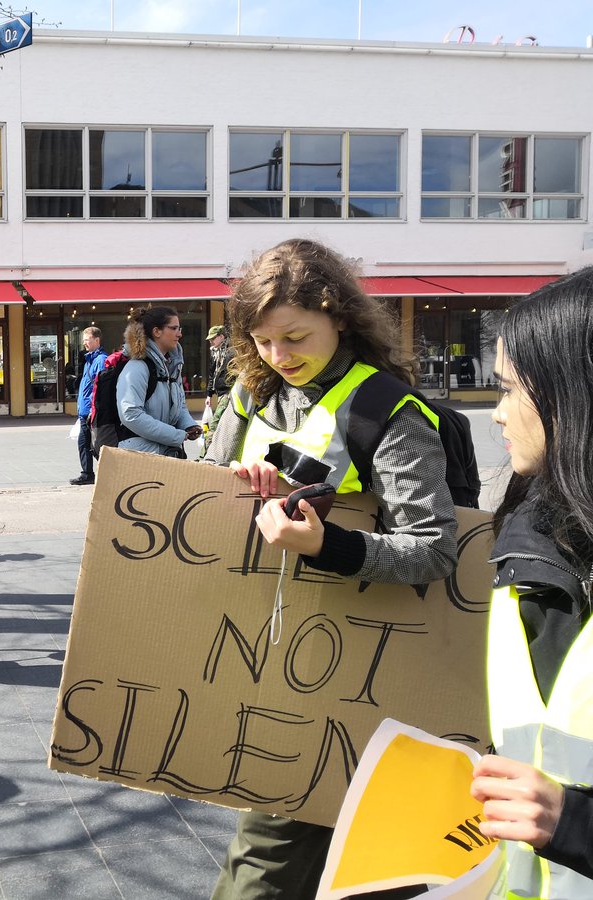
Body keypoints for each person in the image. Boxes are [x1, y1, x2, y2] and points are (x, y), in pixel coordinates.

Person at [204, 238, 458, 900]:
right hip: (258, 652)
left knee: (267, 857)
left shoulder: (385, 411)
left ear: (338, 316)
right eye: (262, 342)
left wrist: (327, 546)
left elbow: (434, 548)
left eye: (293, 337)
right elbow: (199, 491)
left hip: (348, 672)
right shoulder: (249, 394)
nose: (278, 357)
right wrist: (232, 486)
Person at [469, 269, 593, 897]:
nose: (495, 414)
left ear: (574, 395)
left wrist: (577, 826)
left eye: (511, 388)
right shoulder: (526, 539)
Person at [116, 305, 200, 458]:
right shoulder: (137, 367)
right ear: (157, 332)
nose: (179, 334)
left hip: (164, 453)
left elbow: (179, 404)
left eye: (179, 328)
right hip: (139, 456)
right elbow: (130, 414)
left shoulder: (172, 367)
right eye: (174, 328)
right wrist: (175, 435)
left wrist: (188, 425)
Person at [70, 326, 107, 485]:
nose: (84, 343)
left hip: (92, 411)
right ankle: (88, 473)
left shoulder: (100, 360)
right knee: (86, 443)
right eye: (84, 340)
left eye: (87, 340)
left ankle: (93, 473)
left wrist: (94, 408)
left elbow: (101, 387)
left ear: (97, 340)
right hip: (86, 410)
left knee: (94, 444)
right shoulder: (90, 359)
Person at [202, 323, 236, 451]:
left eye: (213, 338)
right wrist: (209, 394)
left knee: (216, 422)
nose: (210, 341)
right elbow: (212, 374)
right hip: (220, 393)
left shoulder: (232, 352)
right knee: (222, 422)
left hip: (229, 392)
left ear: (222, 336)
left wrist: (232, 391)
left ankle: (205, 451)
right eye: (210, 339)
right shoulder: (215, 353)